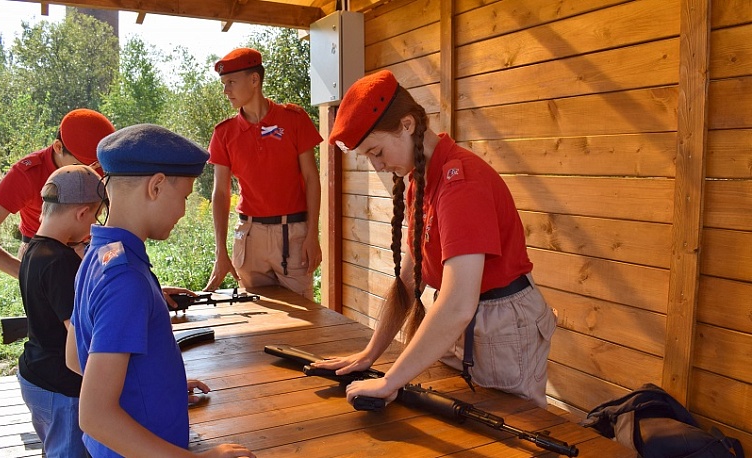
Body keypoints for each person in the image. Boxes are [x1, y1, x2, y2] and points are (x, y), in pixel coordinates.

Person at [315, 70, 557, 408]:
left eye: (378, 152)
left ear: (407, 125)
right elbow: (409, 277)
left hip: (500, 323)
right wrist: (370, 355)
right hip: (459, 321)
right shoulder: (422, 178)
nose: (377, 166)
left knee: (512, 429)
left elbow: (458, 303)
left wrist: (390, 381)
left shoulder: (462, 183)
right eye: (368, 157)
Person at [66, 124, 255, 458]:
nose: (183, 211)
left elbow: (76, 358)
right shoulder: (125, 279)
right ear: (155, 186)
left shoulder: (99, 255)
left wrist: (158, 389)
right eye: (183, 197)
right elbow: (95, 416)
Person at [204, 47, 323, 299]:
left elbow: (312, 179)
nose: (226, 91)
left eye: (231, 82)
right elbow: (221, 194)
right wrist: (220, 252)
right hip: (249, 237)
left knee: (305, 322)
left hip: (293, 235)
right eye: (224, 84)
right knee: (257, 317)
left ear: (254, 80)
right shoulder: (224, 133)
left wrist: (313, 235)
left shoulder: (294, 119)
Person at [18, 164, 107, 457]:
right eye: (95, 215)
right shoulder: (61, 263)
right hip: (62, 388)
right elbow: (78, 335)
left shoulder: (33, 250)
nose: (95, 224)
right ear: (82, 213)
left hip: (35, 373)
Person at [0, 108, 115, 278]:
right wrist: (28, 275)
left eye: (97, 165)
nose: (94, 172)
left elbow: (116, 218)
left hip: (91, 249)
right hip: (46, 257)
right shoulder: (27, 174)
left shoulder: (102, 166)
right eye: (85, 165)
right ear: (58, 147)